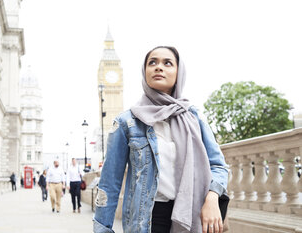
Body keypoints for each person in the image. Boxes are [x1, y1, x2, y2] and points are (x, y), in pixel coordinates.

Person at [93, 46, 229, 233]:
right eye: (152, 62)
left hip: (192, 215)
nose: (159, 67)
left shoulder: (193, 118)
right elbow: (109, 183)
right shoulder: (127, 122)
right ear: (145, 71)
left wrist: (212, 198)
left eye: (167, 63)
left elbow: (219, 166)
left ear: (178, 73)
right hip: (147, 220)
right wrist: (102, 229)